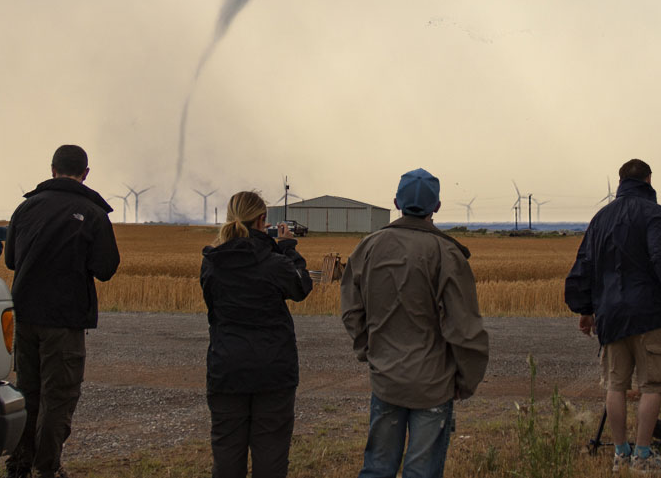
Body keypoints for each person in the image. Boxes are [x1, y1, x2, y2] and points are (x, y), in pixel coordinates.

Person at [341, 169, 489, 478]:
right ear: (436, 207)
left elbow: (352, 311)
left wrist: (369, 351)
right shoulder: (447, 253)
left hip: (385, 379)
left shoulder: (367, 247)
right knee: (422, 472)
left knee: (377, 468)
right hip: (434, 385)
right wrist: (466, 380)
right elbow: (465, 328)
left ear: (396, 202)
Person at [565, 159, 661, 473]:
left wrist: (585, 309)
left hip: (611, 315)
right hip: (649, 313)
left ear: (620, 182)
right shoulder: (654, 214)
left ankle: (620, 454)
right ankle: (642, 456)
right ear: (649, 180)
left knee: (615, 385)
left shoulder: (601, 218)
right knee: (653, 385)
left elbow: (583, 265)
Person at [4, 144, 121, 478]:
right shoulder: (93, 213)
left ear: (52, 169)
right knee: (59, 396)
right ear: (85, 174)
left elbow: (11, 260)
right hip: (65, 321)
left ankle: (18, 463)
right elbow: (106, 268)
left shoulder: (25, 209)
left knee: (28, 390)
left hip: (24, 316)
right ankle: (47, 467)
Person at [200, 191, 314, 477]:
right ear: (263, 220)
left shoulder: (212, 262)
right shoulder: (274, 263)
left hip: (226, 366)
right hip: (273, 370)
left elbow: (213, 305)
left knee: (226, 452)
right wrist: (287, 247)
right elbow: (301, 287)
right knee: (271, 452)